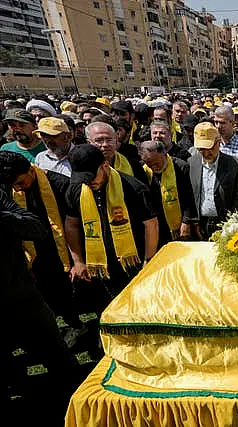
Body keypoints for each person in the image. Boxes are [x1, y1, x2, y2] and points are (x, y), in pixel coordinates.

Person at [1, 188, 82, 425]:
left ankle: (78, 411)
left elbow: (36, 227)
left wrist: (4, 217)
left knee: (60, 359)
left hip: (22, 297)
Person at [0, 151, 86, 344]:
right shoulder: (7, 189)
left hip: (59, 250)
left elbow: (74, 224)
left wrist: (76, 260)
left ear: (31, 170)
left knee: (63, 293)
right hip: (29, 252)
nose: (18, 188)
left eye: (21, 183)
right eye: (14, 185)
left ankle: (75, 325)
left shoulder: (60, 184)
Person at [65, 144, 159, 313]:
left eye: (92, 176)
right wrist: (78, 261)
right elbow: (72, 224)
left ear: (105, 165)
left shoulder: (133, 188)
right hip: (98, 263)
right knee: (107, 310)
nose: (89, 182)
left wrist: (149, 259)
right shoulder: (76, 189)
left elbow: (151, 224)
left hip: (132, 261)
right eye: (83, 178)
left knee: (137, 308)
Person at [188, 122, 238, 239]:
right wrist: (193, 221)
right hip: (199, 225)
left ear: (218, 142)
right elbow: (188, 195)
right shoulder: (191, 163)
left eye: (209, 148)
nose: (206, 153)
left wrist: (232, 223)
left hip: (225, 224)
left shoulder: (233, 164)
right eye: (201, 149)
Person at [139, 140, 197, 246]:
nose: (154, 167)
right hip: (158, 227)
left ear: (164, 154)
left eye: (156, 162)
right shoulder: (143, 171)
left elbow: (189, 197)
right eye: (149, 164)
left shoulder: (180, 166)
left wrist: (186, 221)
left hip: (180, 225)